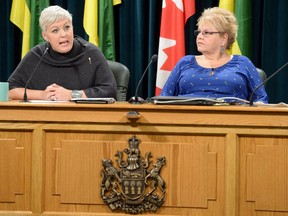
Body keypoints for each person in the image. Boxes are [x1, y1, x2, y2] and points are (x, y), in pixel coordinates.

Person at [160, 7, 268, 104]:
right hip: (186, 120)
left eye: (206, 33)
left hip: (231, 121)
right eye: (199, 32)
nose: (199, 37)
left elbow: (261, 100)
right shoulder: (185, 62)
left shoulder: (243, 63)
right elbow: (163, 98)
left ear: (224, 38)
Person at [8, 5, 117, 101]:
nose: (63, 34)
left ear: (73, 27)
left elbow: (110, 90)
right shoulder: (37, 55)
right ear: (45, 36)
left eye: (67, 27)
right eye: (55, 30)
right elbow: (10, 90)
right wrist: (42, 95)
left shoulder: (90, 53)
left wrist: (72, 94)